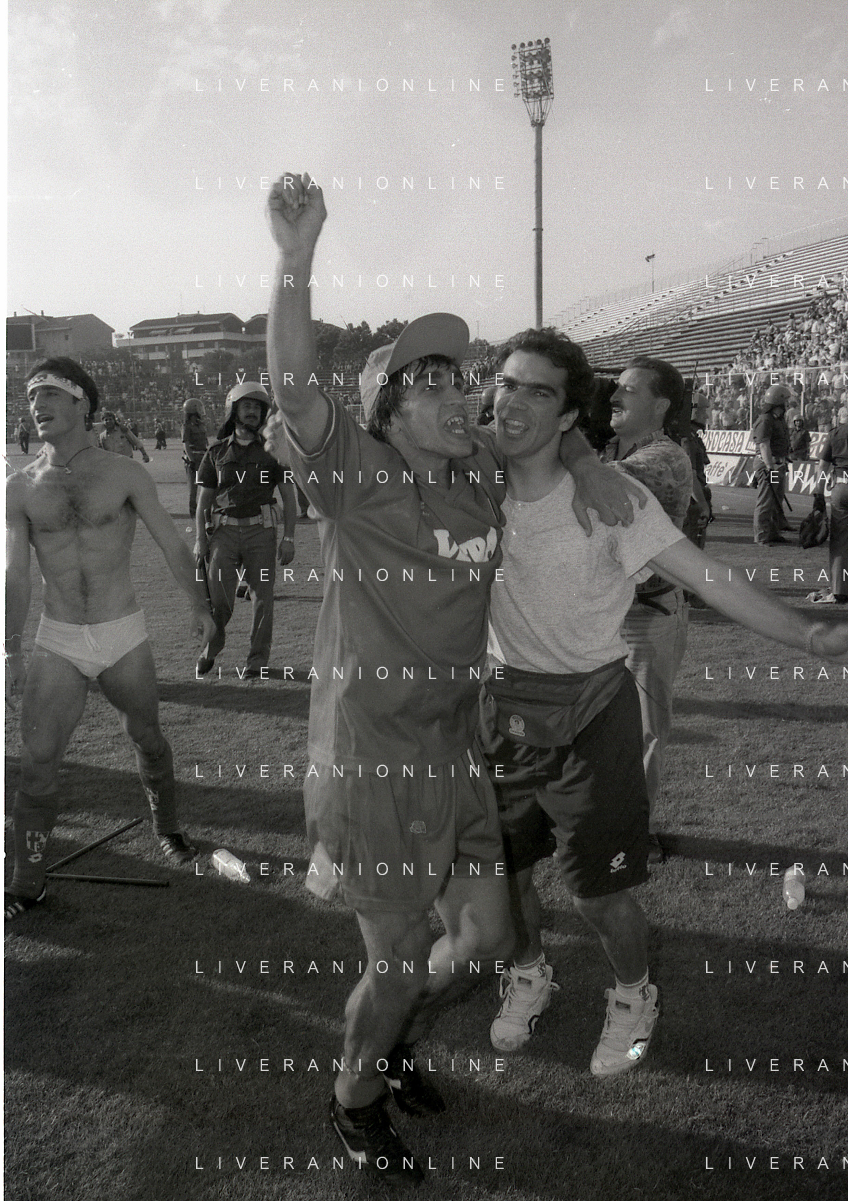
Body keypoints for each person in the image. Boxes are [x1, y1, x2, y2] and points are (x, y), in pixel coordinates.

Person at [262, 171, 639, 1184]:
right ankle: (353, 1098)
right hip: (372, 762)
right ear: (387, 409)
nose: (457, 391)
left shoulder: (476, 480)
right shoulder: (360, 478)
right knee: (392, 962)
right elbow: (294, 389)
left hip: (455, 752)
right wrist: (295, 259)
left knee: (481, 937)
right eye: (427, 380)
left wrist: (587, 459)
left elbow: (557, 437)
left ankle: (387, 1041)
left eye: (457, 375)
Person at [479, 329, 848, 1076]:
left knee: (598, 893)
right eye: (507, 383)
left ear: (568, 414)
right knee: (507, 876)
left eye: (538, 391)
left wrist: (809, 635)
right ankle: (527, 972)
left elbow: (703, 575)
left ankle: (631, 993)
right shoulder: (469, 481)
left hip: (591, 713)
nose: (513, 402)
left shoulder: (614, 496)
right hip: (502, 710)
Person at [4, 357, 216, 921]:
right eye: (31, 397)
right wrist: (10, 648)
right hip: (58, 638)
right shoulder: (19, 486)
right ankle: (27, 880)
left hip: (122, 632)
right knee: (38, 760)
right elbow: (15, 574)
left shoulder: (123, 473)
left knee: (147, 736)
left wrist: (199, 604)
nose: (37, 405)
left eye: (50, 394)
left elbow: (172, 543)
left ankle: (167, 826)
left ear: (82, 403)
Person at [600, 357, 694, 862]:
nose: (614, 397)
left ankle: (633, 833)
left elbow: (597, 482)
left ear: (659, 406)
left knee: (642, 732)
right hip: (613, 615)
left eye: (628, 390)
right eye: (616, 387)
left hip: (648, 616)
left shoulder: (664, 457)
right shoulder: (616, 448)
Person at [194, 382, 297, 679]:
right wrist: (200, 540)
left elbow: (288, 498)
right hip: (224, 534)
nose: (252, 412)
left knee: (262, 599)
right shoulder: (215, 452)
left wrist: (289, 538)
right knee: (220, 601)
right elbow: (202, 504)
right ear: (233, 410)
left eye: (257, 407)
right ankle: (212, 646)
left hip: (261, 533)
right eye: (246, 406)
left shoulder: (273, 451)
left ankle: (257, 660)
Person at [808, 405, 848, 605]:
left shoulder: (834, 434)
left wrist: (819, 490)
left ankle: (840, 589)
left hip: (841, 486)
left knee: (840, 540)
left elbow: (823, 466)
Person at [751, 383, 792, 544]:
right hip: (769, 465)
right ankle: (761, 536)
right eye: (785, 401)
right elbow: (763, 445)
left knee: (776, 500)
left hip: (777, 464)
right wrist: (770, 467)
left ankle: (773, 533)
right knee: (766, 501)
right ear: (778, 402)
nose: (787, 404)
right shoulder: (765, 420)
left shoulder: (777, 419)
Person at [181, 397, 208, 520]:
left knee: (206, 485)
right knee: (193, 488)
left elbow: (205, 443)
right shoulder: (186, 426)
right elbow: (186, 444)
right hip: (194, 458)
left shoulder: (200, 424)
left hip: (203, 457)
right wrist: (191, 460)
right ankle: (193, 512)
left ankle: (205, 510)